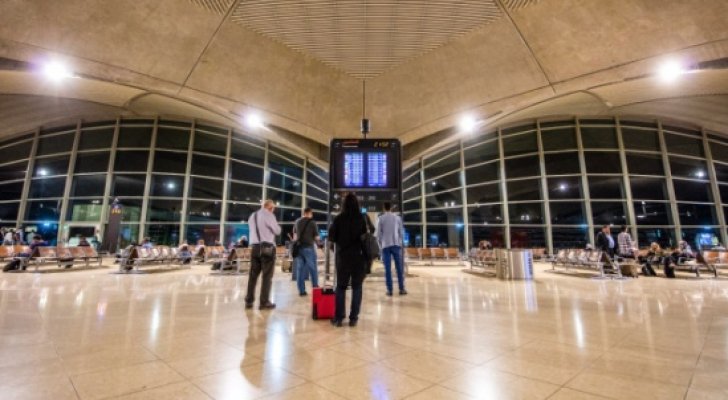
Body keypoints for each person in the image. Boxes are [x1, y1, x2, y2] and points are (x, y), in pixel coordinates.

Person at [328, 193, 368, 327]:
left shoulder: (339, 218)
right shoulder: (361, 218)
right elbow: (365, 237)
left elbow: (332, 237)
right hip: (358, 257)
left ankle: (339, 318)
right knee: (357, 287)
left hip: (343, 258)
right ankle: (353, 318)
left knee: (341, 287)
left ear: (344, 204)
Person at [245, 199, 281, 310]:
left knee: (253, 276)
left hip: (255, 248)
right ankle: (264, 302)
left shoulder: (252, 216)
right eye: (273, 208)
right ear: (270, 207)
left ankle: (249, 301)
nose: (273, 210)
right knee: (267, 276)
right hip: (267, 248)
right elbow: (277, 231)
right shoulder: (269, 215)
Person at [377, 202, 407, 296]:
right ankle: (401, 289)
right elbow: (401, 232)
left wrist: (381, 245)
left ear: (384, 208)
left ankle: (390, 290)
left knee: (387, 269)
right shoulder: (397, 218)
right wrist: (400, 243)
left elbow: (378, 235)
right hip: (396, 245)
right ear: (391, 208)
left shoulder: (381, 218)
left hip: (385, 246)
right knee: (399, 268)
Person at [293, 208, 320, 296]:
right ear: (309, 213)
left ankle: (301, 291)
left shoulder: (297, 222)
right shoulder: (312, 223)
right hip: (309, 248)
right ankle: (315, 288)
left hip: (299, 248)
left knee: (300, 270)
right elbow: (316, 237)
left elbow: (295, 236)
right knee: (313, 269)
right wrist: (319, 243)